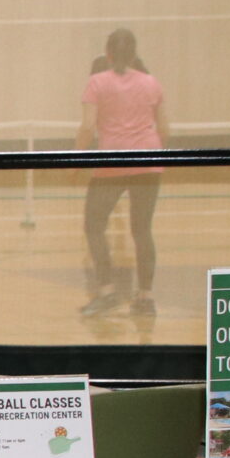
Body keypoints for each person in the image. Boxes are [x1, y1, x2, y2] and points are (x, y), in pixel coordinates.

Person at [79, 29, 169, 315]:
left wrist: (78, 159)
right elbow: (165, 128)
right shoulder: (152, 83)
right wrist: (153, 154)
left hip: (112, 161)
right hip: (148, 160)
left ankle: (106, 291)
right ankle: (145, 297)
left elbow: (87, 127)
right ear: (133, 55)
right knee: (142, 230)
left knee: (94, 226)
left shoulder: (96, 82)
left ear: (107, 54)